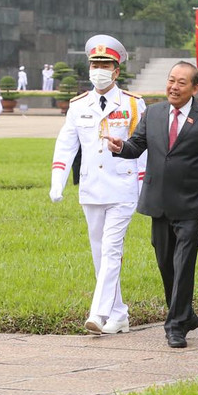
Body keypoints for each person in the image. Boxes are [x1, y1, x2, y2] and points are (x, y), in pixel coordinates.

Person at [108, 60, 198, 348]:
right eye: (171, 80)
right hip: (158, 203)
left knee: (183, 265)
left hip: (192, 205)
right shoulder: (153, 113)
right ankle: (185, 314)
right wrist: (120, 147)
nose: (174, 86)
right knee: (166, 264)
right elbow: (136, 146)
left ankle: (176, 325)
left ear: (195, 88)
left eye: (182, 82)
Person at [52, 35, 146, 337]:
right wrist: (58, 181)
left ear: (116, 70)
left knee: (111, 250)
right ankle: (119, 314)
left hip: (122, 187)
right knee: (98, 252)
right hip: (92, 189)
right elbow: (66, 145)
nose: (99, 69)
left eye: (105, 64)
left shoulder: (133, 104)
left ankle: (99, 312)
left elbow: (144, 148)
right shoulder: (79, 105)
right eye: (95, 64)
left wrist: (144, 184)